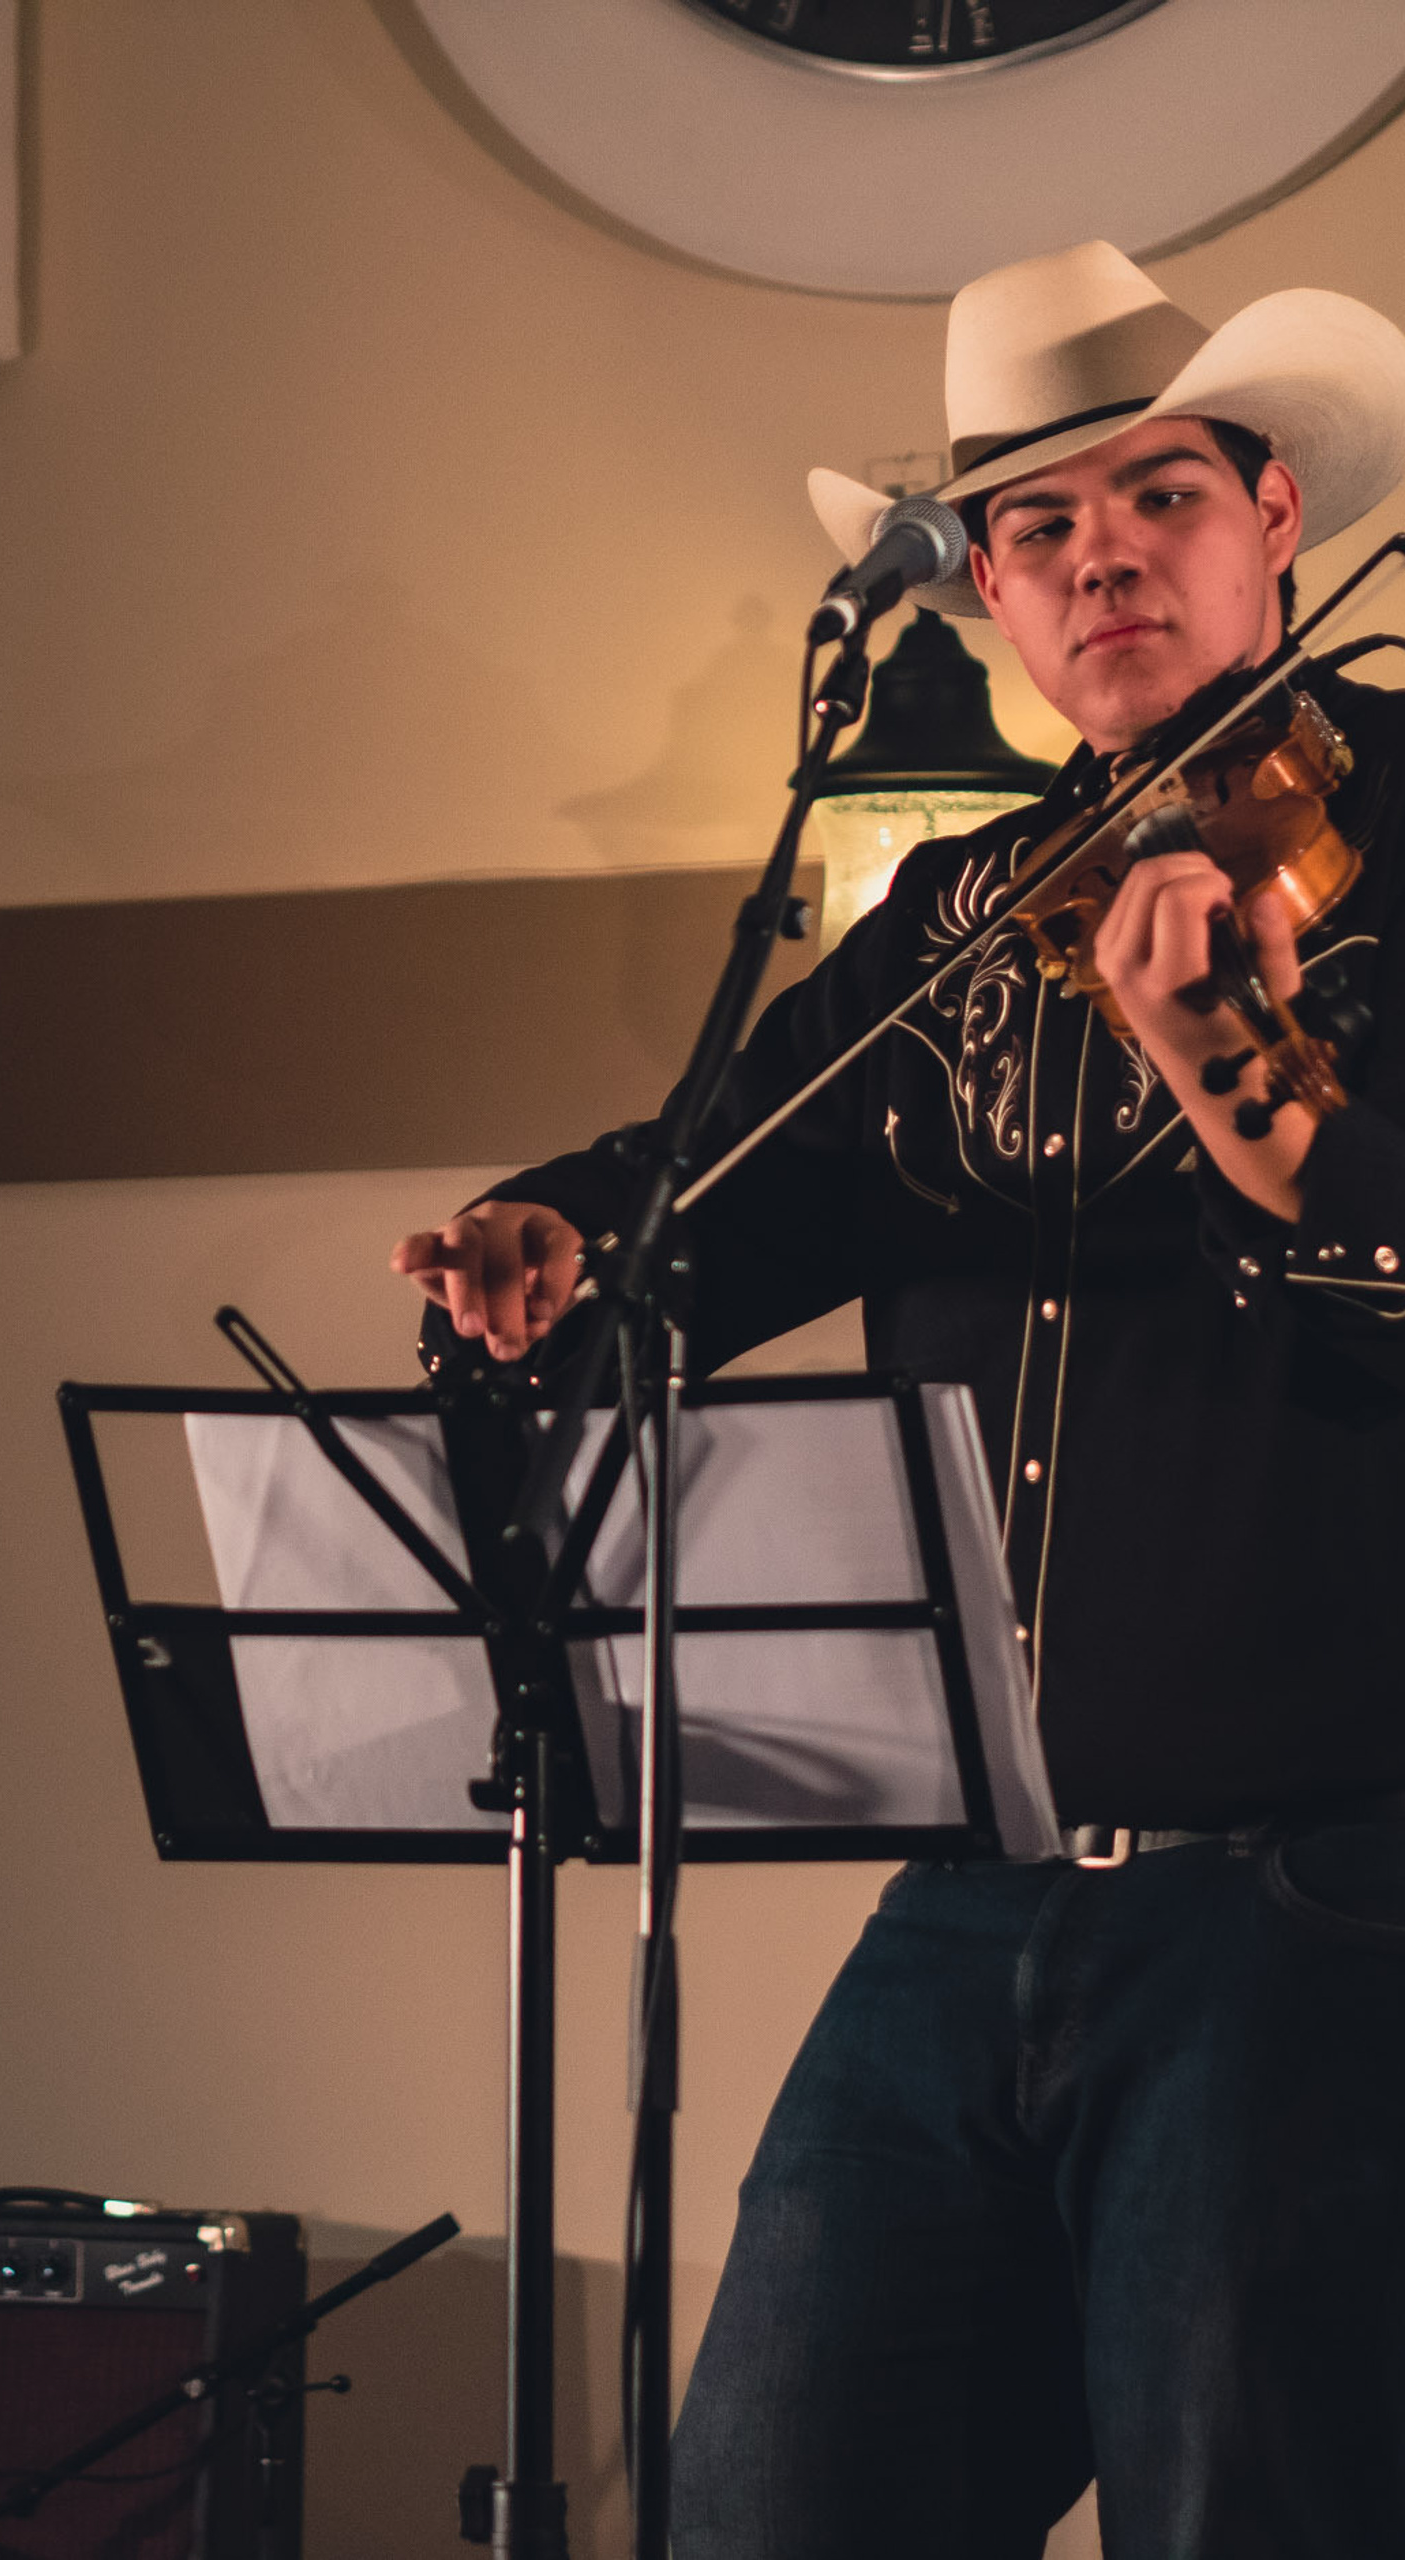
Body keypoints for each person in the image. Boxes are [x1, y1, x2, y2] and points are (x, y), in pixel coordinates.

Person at [394, 242, 1405, 2554]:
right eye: (1031, 528)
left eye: (1152, 491)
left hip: (1308, 1902)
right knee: (757, 2506)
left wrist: (1235, 1077)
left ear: (1268, 510)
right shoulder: (958, 913)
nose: (1094, 555)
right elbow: (711, 1197)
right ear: (981, 600)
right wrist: (554, 1248)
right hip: (963, 1902)